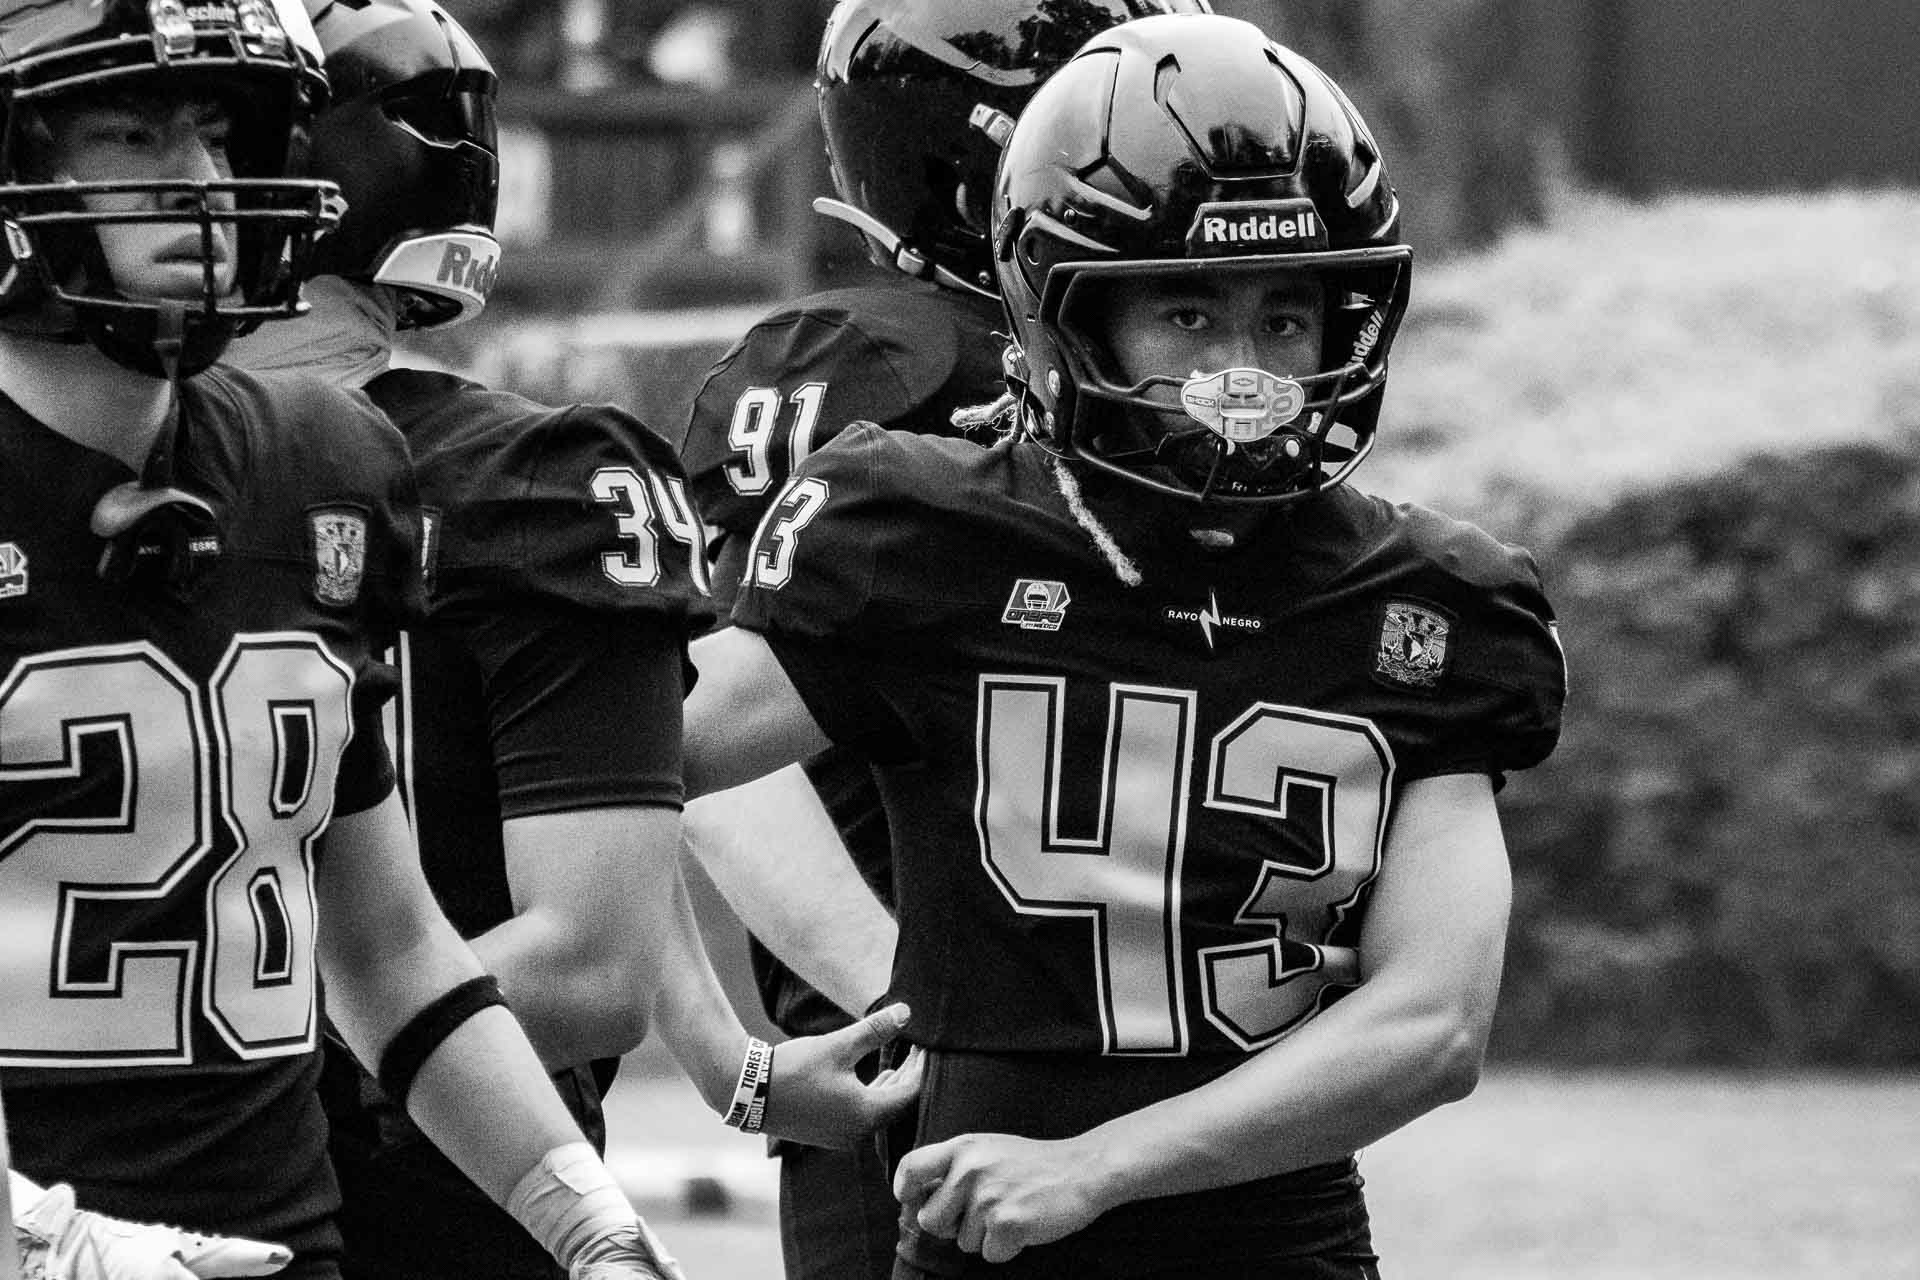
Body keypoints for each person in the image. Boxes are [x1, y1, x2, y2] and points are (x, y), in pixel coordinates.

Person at [680, 12, 1566, 1277]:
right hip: (977, 1231)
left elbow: (1433, 1022)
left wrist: (1099, 1165)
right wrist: (722, 1054)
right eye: (1188, 315)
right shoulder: (921, 528)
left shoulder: (1428, 595)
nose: (1244, 374)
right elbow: (623, 767)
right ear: (1067, 319)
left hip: (1280, 1243)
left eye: (1285, 317)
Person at [223, 4, 918, 1277]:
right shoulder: (99, 477)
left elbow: (593, 941)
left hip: (430, 1213)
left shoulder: (528, 485)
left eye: (192, 142)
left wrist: (171, 1055)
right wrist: (727, 1058)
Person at [0, 3, 685, 1277]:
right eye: (130, 135)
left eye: (216, 133)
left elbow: (390, 952)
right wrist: (47, 1237)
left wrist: (588, 1224)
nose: (203, 183)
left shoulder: (322, 461)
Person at [675, 2, 1209, 1276]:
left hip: (1163, 1071)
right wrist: (908, 1005)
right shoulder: (897, 366)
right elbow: (700, 745)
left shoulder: (1153, 377)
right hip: (929, 1079)